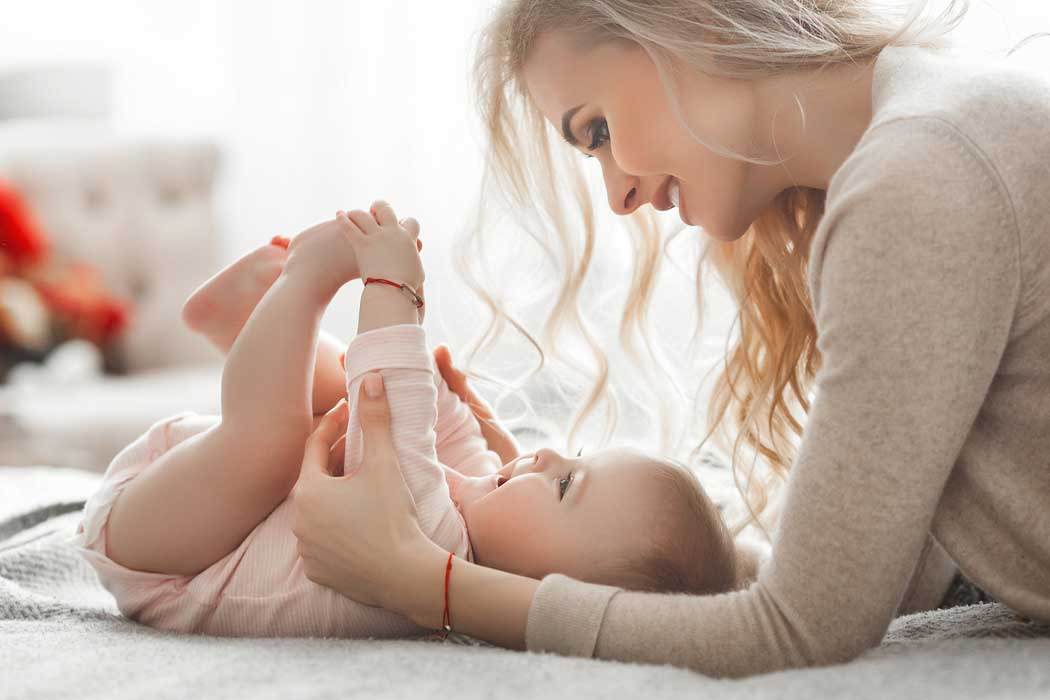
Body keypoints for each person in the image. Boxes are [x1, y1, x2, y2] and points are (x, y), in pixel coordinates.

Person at [289, 0, 1050, 678]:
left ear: (686, 21)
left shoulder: (919, 178)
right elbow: (871, 567)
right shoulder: (920, 139)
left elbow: (799, 627)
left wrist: (429, 584)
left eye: (598, 130)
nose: (617, 194)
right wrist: (550, 537)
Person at [71, 204, 743, 638]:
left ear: (553, 592)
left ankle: (296, 288)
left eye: (566, 487)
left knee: (282, 445)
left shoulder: (438, 548)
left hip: (170, 556)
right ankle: (249, 324)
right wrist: (446, 394)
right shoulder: (477, 497)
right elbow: (423, 417)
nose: (546, 457)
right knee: (347, 408)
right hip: (212, 499)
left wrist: (394, 289)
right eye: (572, 456)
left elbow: (396, 404)